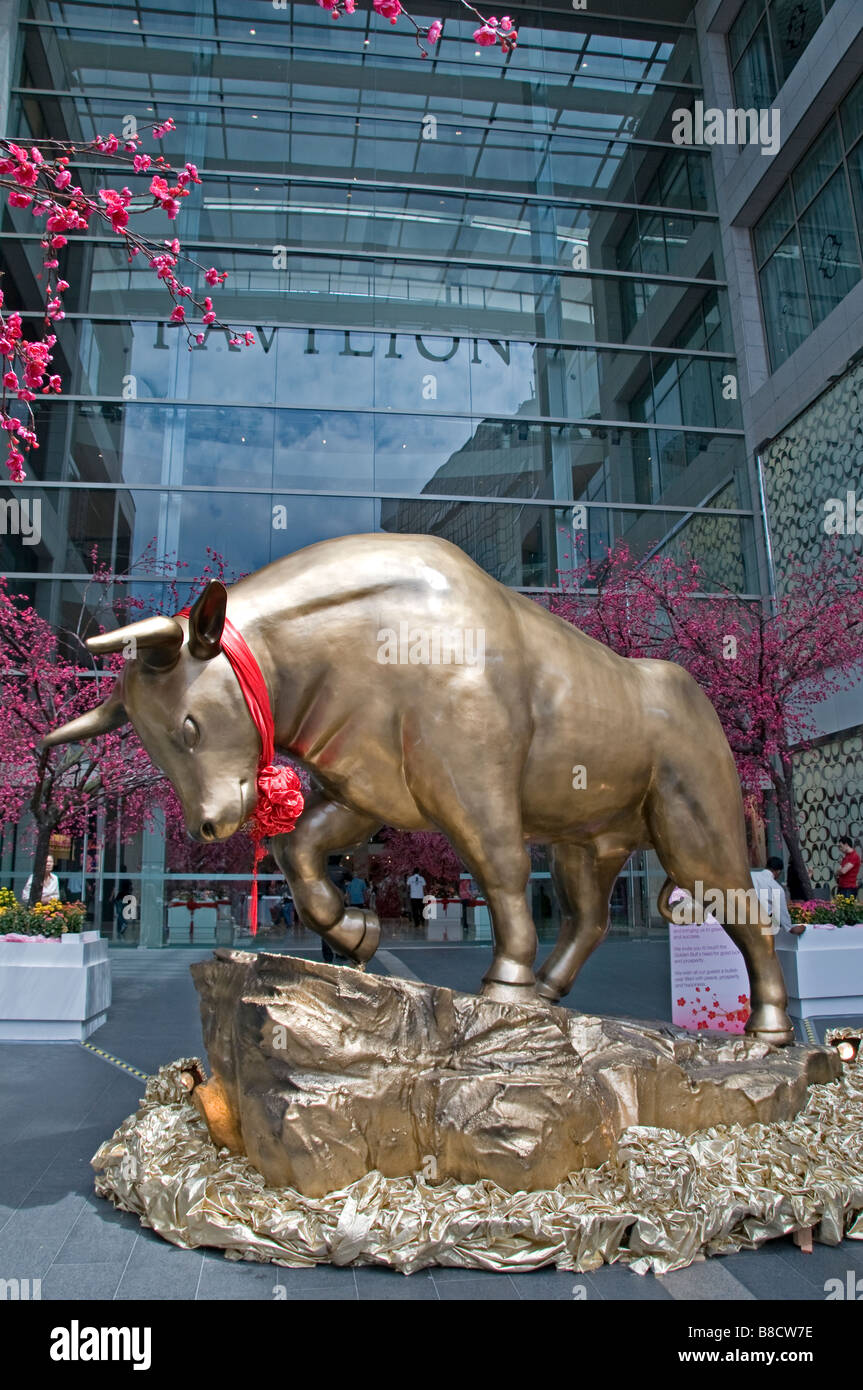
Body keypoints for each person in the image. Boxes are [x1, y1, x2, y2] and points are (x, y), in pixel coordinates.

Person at [751, 856, 804, 936]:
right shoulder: (776, 888)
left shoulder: (751, 875)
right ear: (778, 871)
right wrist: (792, 928)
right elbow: (782, 912)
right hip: (760, 925)